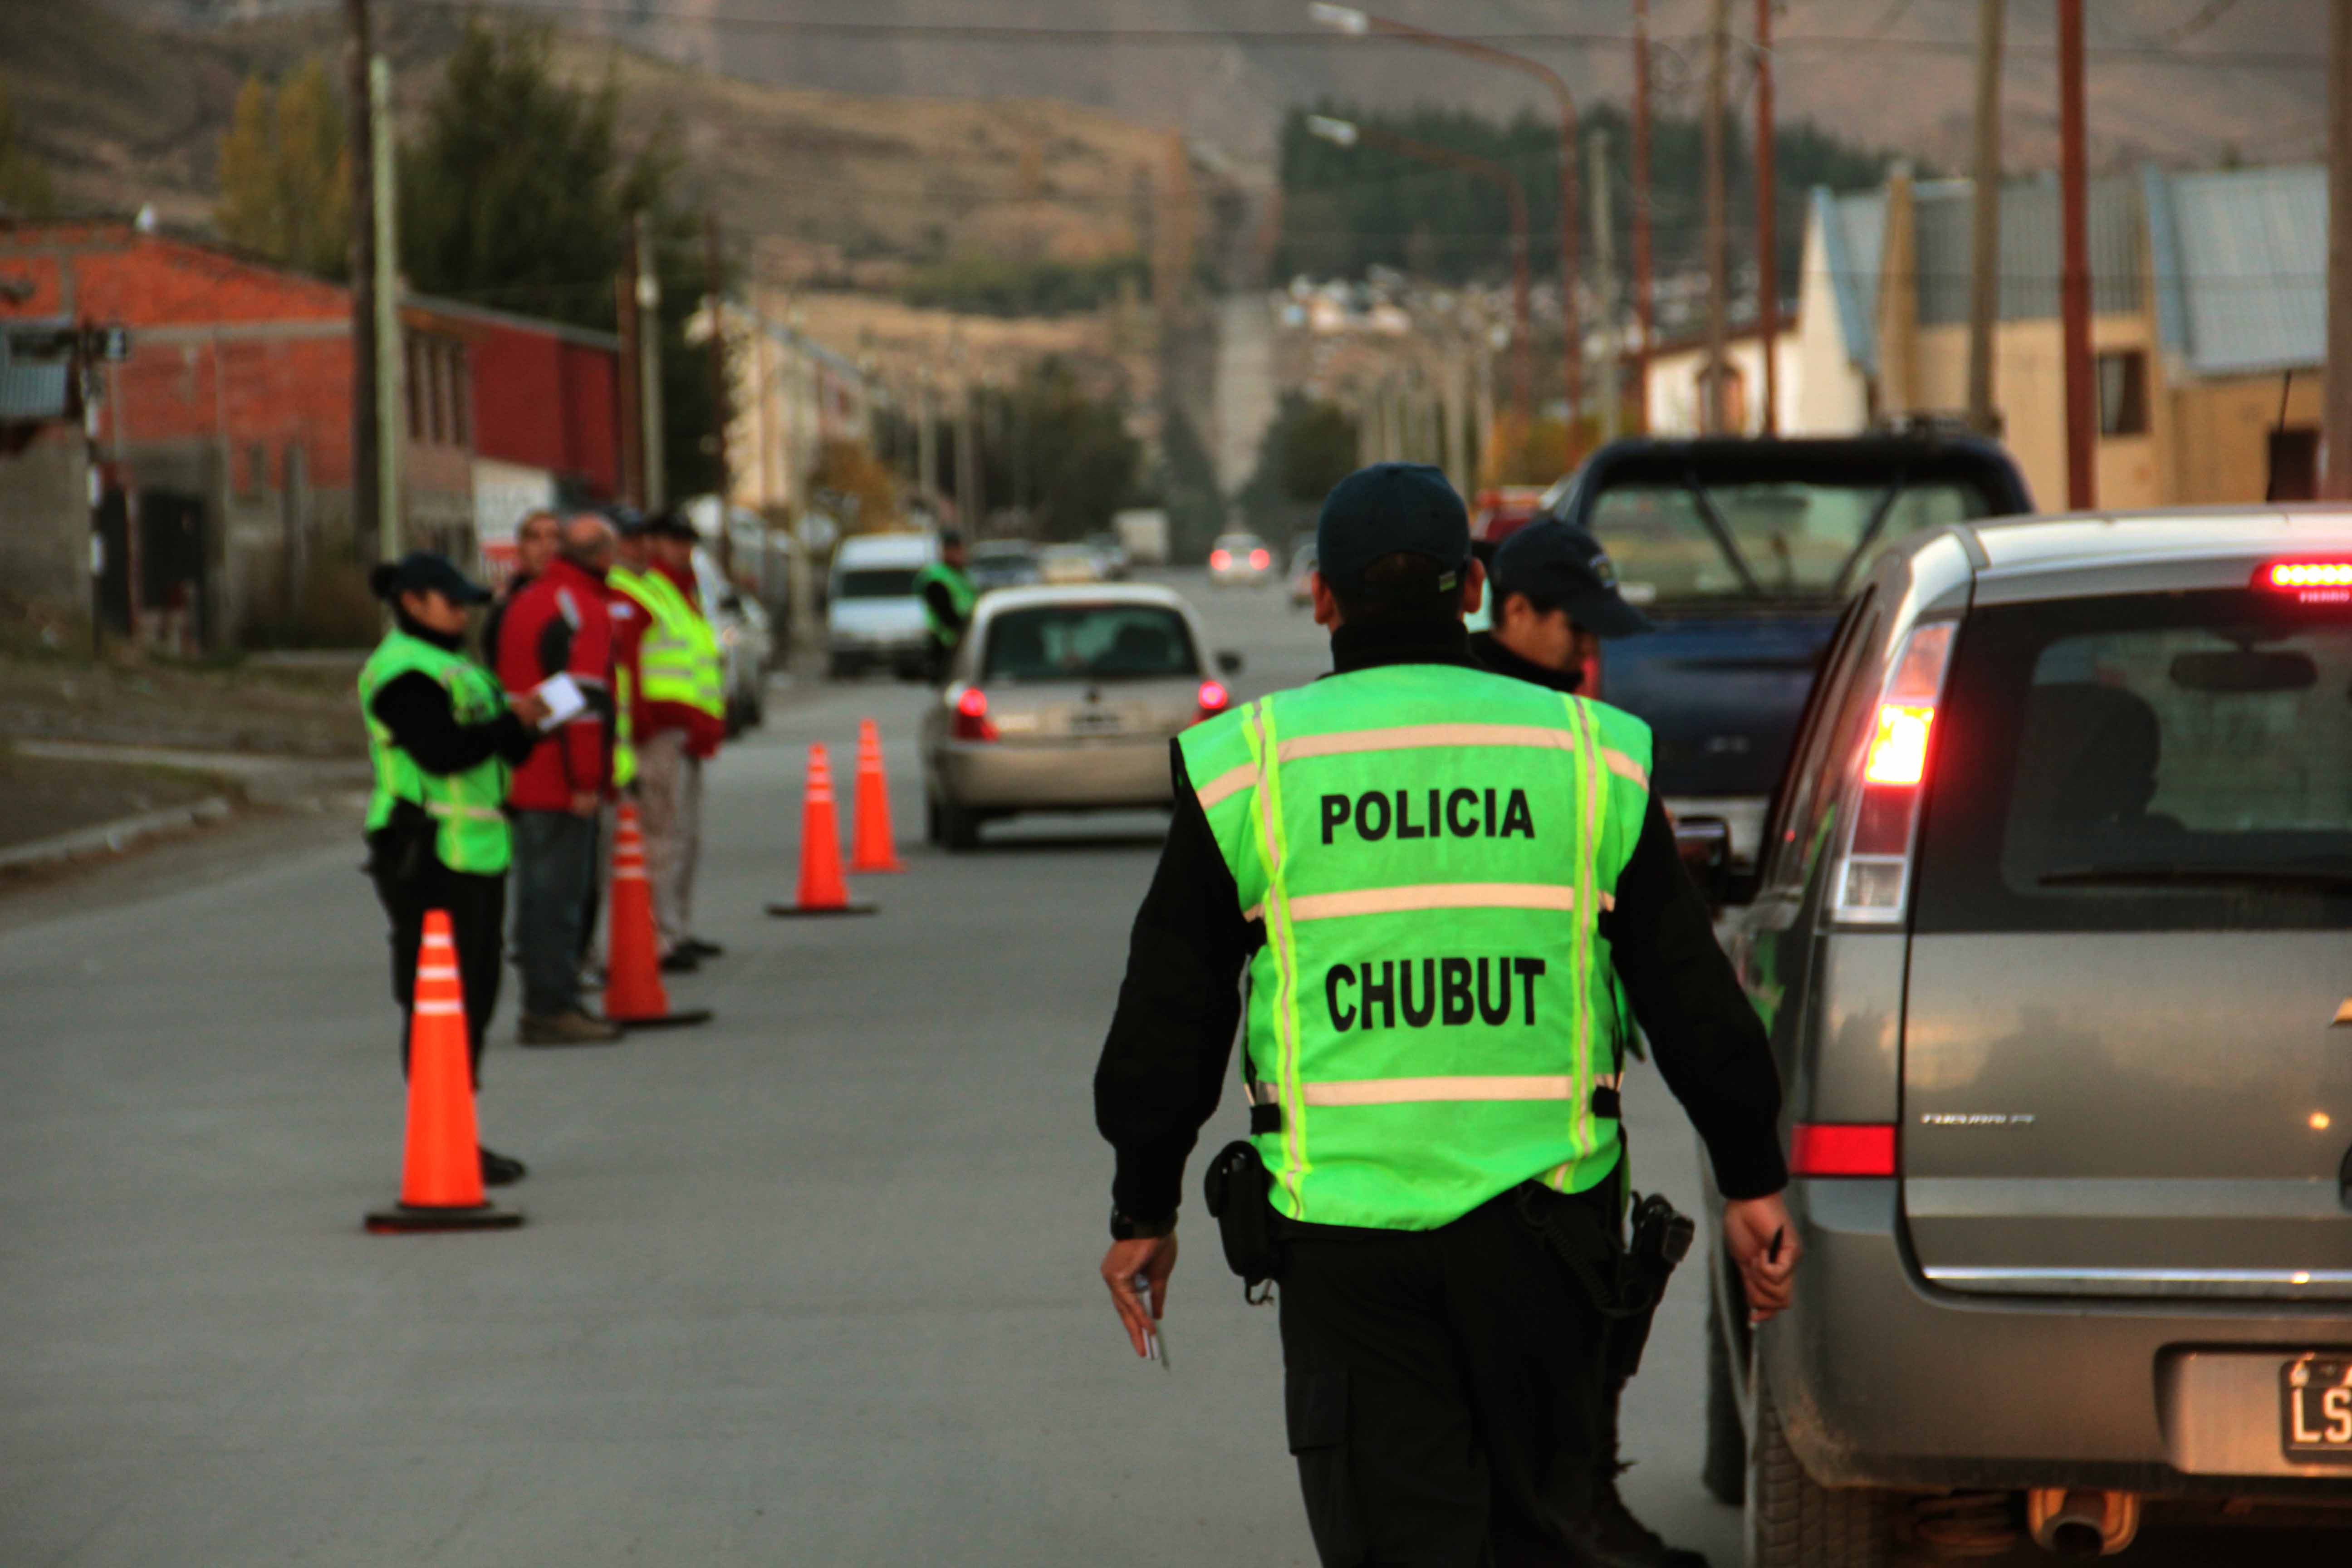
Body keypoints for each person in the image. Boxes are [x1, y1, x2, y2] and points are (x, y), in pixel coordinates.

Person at [1091, 462, 1798, 1567]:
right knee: (1541, 1539)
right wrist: (1751, 1174)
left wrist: (1145, 1201)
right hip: (1549, 1235)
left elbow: (1170, 1008)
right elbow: (1685, 990)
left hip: (1344, 1244)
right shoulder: (1587, 755)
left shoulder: (1253, 766)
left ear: (1321, 596)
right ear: (1470, 588)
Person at [1472, 519, 1705, 1568]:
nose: (1586, 649)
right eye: (1574, 626)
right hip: (1522, 1141)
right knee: (1544, 1378)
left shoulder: (1573, 733)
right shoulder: (1543, 743)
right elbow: (1673, 967)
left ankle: (1576, 1503)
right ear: (1513, 610)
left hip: (1553, 1119)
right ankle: (1572, 1512)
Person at [358, 553, 546, 1187]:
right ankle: (441, 1136)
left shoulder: (458, 667)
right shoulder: (402, 674)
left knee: (477, 995)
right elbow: (443, 753)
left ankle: (459, 1131)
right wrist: (507, 723)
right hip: (425, 851)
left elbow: (501, 751)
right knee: (439, 1002)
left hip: (475, 848)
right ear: (412, 603)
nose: (464, 613)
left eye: (468, 602)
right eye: (452, 602)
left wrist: (531, 723)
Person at [495, 513, 623, 1044]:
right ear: (603, 556)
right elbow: (584, 701)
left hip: (522, 766)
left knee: (535, 894)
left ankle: (546, 998)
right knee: (560, 897)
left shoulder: (526, 601)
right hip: (559, 774)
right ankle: (551, 1006)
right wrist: (587, 779)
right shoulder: (582, 608)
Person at [623, 510, 727, 971]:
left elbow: (697, 664)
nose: (681, 550)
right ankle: (661, 935)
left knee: (684, 837)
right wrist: (642, 724)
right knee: (662, 837)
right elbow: (632, 663)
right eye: (671, 540)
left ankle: (677, 929)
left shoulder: (683, 592)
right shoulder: (649, 591)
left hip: (686, 731)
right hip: (660, 733)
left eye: (686, 542)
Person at [1472, 519, 1651, 697]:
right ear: (1518, 610)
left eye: (1596, 631)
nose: (1589, 648)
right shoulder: (1485, 702)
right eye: (1577, 627)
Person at [482, 509, 562, 672]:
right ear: (521, 549)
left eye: (554, 537)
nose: (546, 546)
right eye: (535, 538)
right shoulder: (506, 608)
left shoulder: (581, 599)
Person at [913, 529, 977, 682]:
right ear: (946, 551)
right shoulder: (937, 578)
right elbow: (947, 615)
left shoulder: (961, 575)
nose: (961, 554)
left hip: (963, 643)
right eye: (956, 550)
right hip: (947, 645)